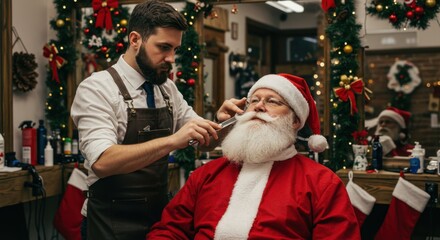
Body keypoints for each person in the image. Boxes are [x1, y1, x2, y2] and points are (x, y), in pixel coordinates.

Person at [70, 1, 245, 239]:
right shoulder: (97, 88)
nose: (171, 58)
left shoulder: (167, 89)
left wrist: (224, 123)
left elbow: (204, 142)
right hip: (110, 222)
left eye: (175, 49)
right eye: (163, 47)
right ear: (135, 40)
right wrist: (173, 141)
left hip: (161, 221)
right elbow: (102, 161)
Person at [147, 74, 361, 239]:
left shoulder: (321, 183)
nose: (259, 106)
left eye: (273, 101)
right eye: (254, 100)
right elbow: (169, 230)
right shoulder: (206, 175)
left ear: (296, 121)